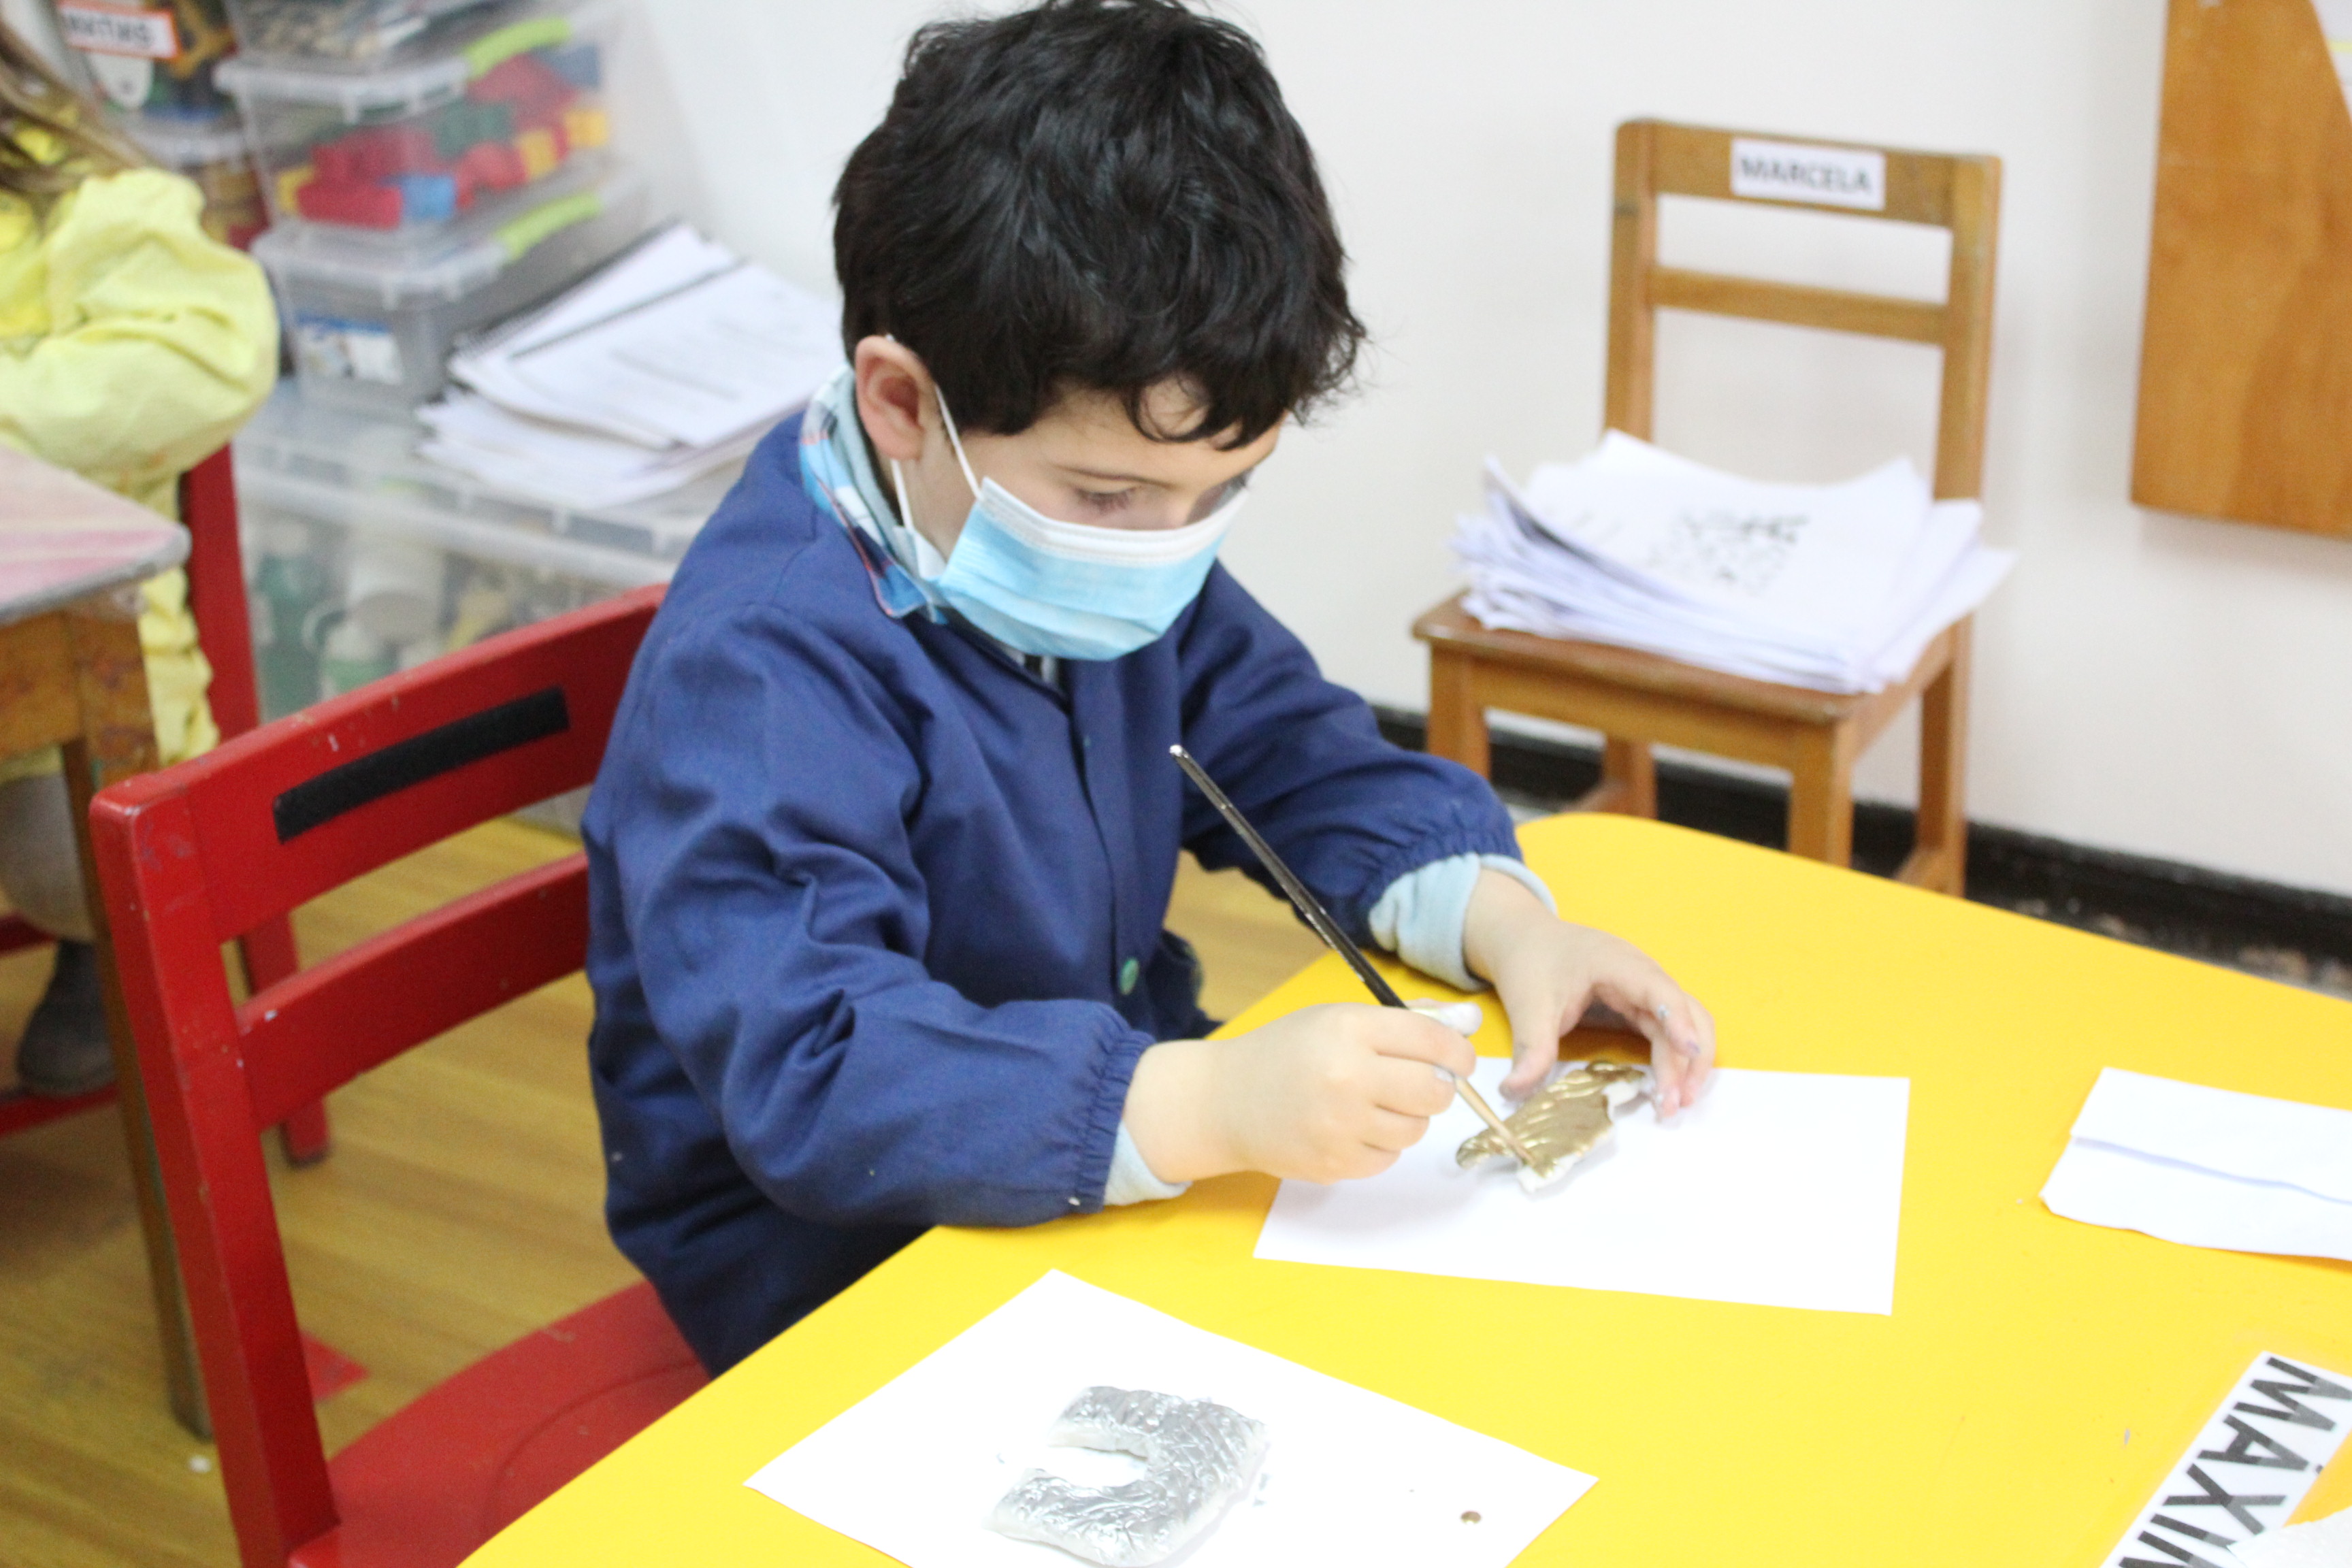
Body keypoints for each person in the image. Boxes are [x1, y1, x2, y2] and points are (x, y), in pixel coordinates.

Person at [585, 0, 1718, 1375]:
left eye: (1220, 492)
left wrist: (1502, 924)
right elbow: (817, 1066)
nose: (1162, 548)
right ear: (898, 404)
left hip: (1094, 1148)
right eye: (1111, 494)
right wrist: (1197, 1099)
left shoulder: (1077, 553)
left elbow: (1291, 750)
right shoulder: (759, 674)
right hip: (833, 1260)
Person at [0, 20, 277, 1096]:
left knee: (80, 877)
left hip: (78, 688)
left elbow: (213, 350)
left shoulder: (86, 202)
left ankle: (96, 951)